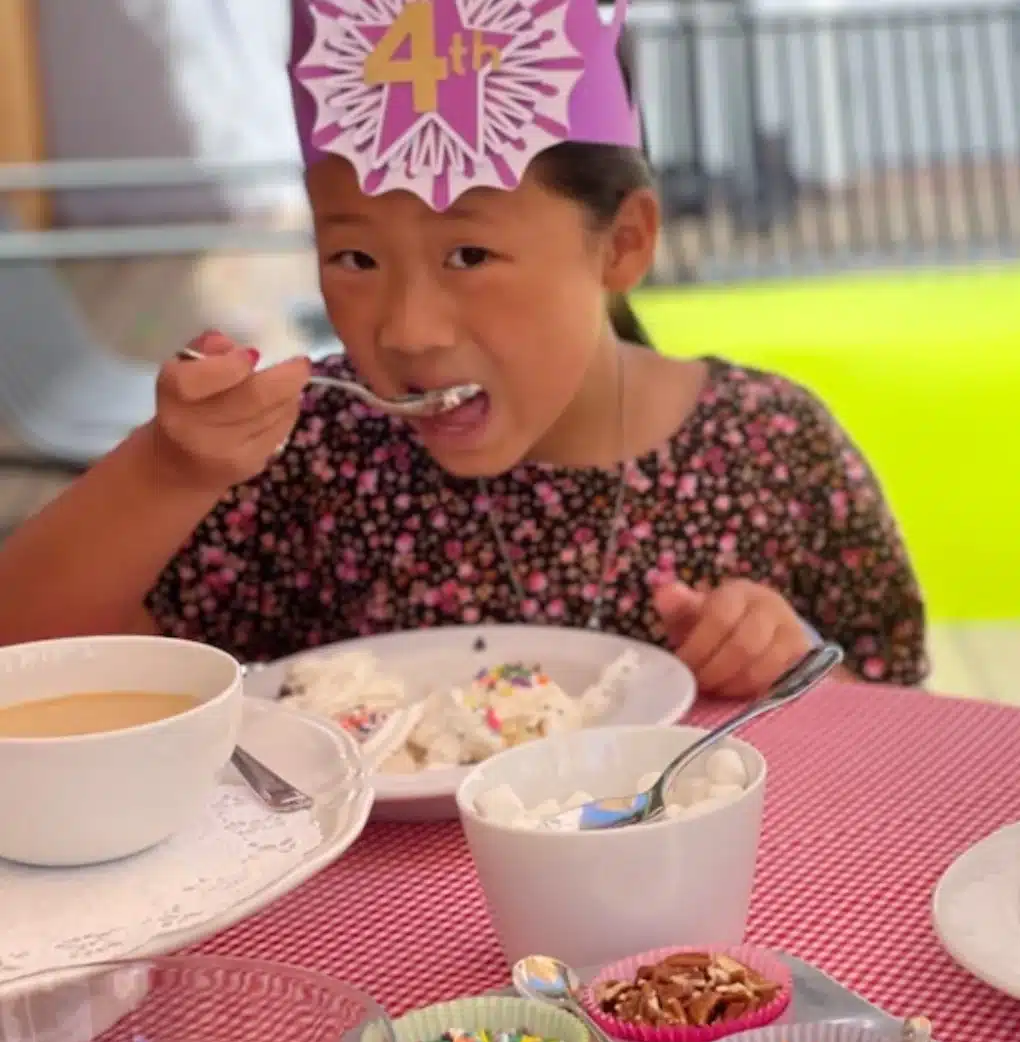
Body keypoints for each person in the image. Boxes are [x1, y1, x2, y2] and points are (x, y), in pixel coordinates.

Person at [0, 2, 928, 697]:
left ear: (623, 242)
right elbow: (29, 663)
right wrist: (167, 470)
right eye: (354, 256)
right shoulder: (310, 467)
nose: (405, 329)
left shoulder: (775, 449)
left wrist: (797, 674)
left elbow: (907, 737)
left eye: (470, 253)